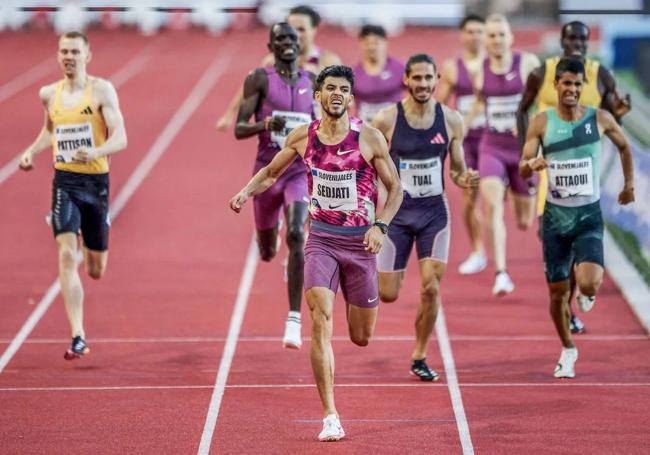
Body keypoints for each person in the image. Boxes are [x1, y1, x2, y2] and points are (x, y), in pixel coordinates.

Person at [230, 65, 403, 441]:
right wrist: (246, 193)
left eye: (344, 89)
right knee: (320, 320)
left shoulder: (369, 138)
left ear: (350, 98)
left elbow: (396, 189)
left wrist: (381, 226)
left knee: (361, 336)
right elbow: (272, 173)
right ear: (319, 96)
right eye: (330, 88)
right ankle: (330, 415)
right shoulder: (302, 137)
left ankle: (357, 302)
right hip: (321, 240)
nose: (337, 94)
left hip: (360, 244)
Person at [519, 58, 634, 378]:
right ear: (555, 85)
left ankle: (588, 291)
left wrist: (629, 185)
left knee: (588, 281)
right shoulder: (542, 122)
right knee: (557, 293)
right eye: (565, 83)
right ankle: (568, 348)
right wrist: (533, 165)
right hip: (555, 218)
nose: (571, 89)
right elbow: (523, 164)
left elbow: (624, 147)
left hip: (587, 215)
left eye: (577, 84)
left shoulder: (600, 118)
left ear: (583, 87)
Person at [18, 31, 127, 359]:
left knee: (96, 269)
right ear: (57, 55)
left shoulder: (101, 90)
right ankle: (78, 334)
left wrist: (96, 149)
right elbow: (50, 131)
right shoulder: (48, 94)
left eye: (75, 51)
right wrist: (31, 151)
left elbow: (121, 137)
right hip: (64, 182)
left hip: (96, 185)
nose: (68, 56)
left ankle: (94, 228)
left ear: (87, 55)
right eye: (63, 51)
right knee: (67, 255)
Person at [373, 54, 479, 381]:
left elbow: (458, 170)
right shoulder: (387, 119)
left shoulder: (451, 120)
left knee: (431, 288)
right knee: (388, 294)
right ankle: (398, 268)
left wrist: (463, 179)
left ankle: (419, 354)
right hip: (398, 215)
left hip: (434, 214)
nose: (422, 84)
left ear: (437, 80)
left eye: (428, 78)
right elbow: (369, 161)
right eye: (416, 78)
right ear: (406, 79)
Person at [234, 22, 315, 349]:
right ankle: (267, 234)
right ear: (270, 45)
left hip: (298, 171)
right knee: (268, 251)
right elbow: (239, 128)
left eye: (292, 38)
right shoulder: (259, 79)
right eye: (280, 39)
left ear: (300, 44)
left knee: (297, 234)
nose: (287, 43)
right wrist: (265, 124)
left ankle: (294, 319)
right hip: (268, 172)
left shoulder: (313, 81)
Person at [471, 13, 540, 296]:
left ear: (511, 37)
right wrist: (457, 130)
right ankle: (501, 273)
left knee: (525, 221)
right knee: (493, 206)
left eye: (502, 34)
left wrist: (527, 122)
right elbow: (477, 106)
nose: (497, 40)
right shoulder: (479, 70)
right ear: (485, 40)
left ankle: (514, 187)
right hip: (492, 147)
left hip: (522, 151)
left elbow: (545, 103)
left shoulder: (528, 64)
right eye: (491, 35)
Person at [215, 4, 340, 130]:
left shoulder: (327, 61)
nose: (296, 35)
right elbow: (251, 84)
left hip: (317, 131)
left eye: (301, 29)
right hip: (284, 130)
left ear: (314, 29)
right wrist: (229, 114)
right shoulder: (275, 60)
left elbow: (344, 98)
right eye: (292, 29)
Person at [437, 14, 487, 275]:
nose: (475, 36)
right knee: (471, 196)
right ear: (462, 35)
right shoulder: (453, 67)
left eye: (480, 31)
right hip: (467, 141)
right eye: (470, 31)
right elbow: (442, 105)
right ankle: (478, 250)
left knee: (520, 211)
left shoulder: (496, 64)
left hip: (495, 139)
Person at [352, 24, 404, 124]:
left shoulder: (399, 68)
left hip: (394, 128)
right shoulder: (353, 73)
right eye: (367, 43)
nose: (371, 47)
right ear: (361, 44)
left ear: (385, 42)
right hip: (365, 129)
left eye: (376, 43)